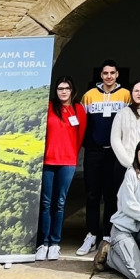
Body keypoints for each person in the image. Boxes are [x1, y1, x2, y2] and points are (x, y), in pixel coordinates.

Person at [78, 60, 131, 256]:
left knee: (112, 195)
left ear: (117, 75)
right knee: (92, 194)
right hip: (94, 151)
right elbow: (82, 124)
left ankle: (108, 235)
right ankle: (91, 234)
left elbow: (130, 122)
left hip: (114, 152)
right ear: (101, 75)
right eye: (105, 73)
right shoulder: (89, 95)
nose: (109, 76)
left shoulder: (126, 95)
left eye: (112, 73)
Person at [96, 139, 140, 279]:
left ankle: (135, 254)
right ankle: (109, 254)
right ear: (136, 156)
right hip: (124, 229)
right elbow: (129, 206)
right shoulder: (131, 174)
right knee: (137, 274)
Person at [36, 75, 86, 261]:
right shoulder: (48, 107)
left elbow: (80, 136)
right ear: (56, 91)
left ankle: (55, 243)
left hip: (67, 162)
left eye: (66, 88)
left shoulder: (78, 109)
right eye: (60, 88)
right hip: (48, 161)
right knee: (46, 203)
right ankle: (43, 243)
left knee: (60, 203)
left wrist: (70, 154)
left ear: (72, 90)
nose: (63, 91)